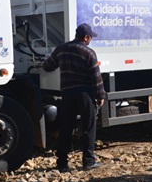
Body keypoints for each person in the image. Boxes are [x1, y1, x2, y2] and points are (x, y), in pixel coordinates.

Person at [43, 23, 106, 172]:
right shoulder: (89, 53)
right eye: (90, 37)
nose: (90, 40)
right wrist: (100, 95)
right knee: (88, 127)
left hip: (67, 94)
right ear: (85, 37)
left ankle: (62, 163)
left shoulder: (61, 49)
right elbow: (96, 77)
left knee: (66, 128)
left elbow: (48, 66)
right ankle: (88, 161)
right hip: (85, 94)